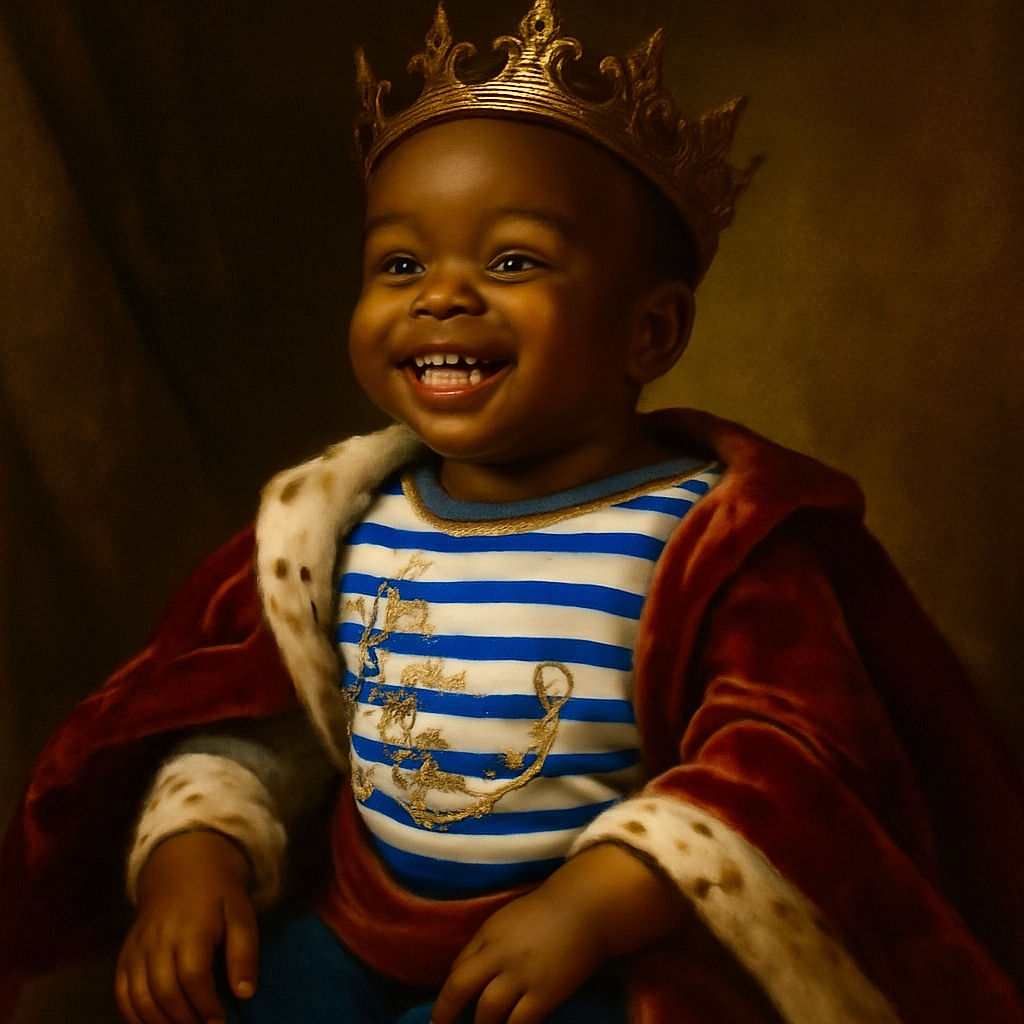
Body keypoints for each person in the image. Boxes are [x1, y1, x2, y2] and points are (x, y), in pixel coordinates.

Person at [1, 3, 1022, 1024]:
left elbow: (784, 755)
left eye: (512, 261)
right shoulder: (335, 527)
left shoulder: (704, 535)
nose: (441, 296)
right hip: (365, 925)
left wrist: (590, 904)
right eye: (400, 265)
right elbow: (265, 723)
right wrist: (196, 849)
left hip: (592, 946)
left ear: (649, 331)